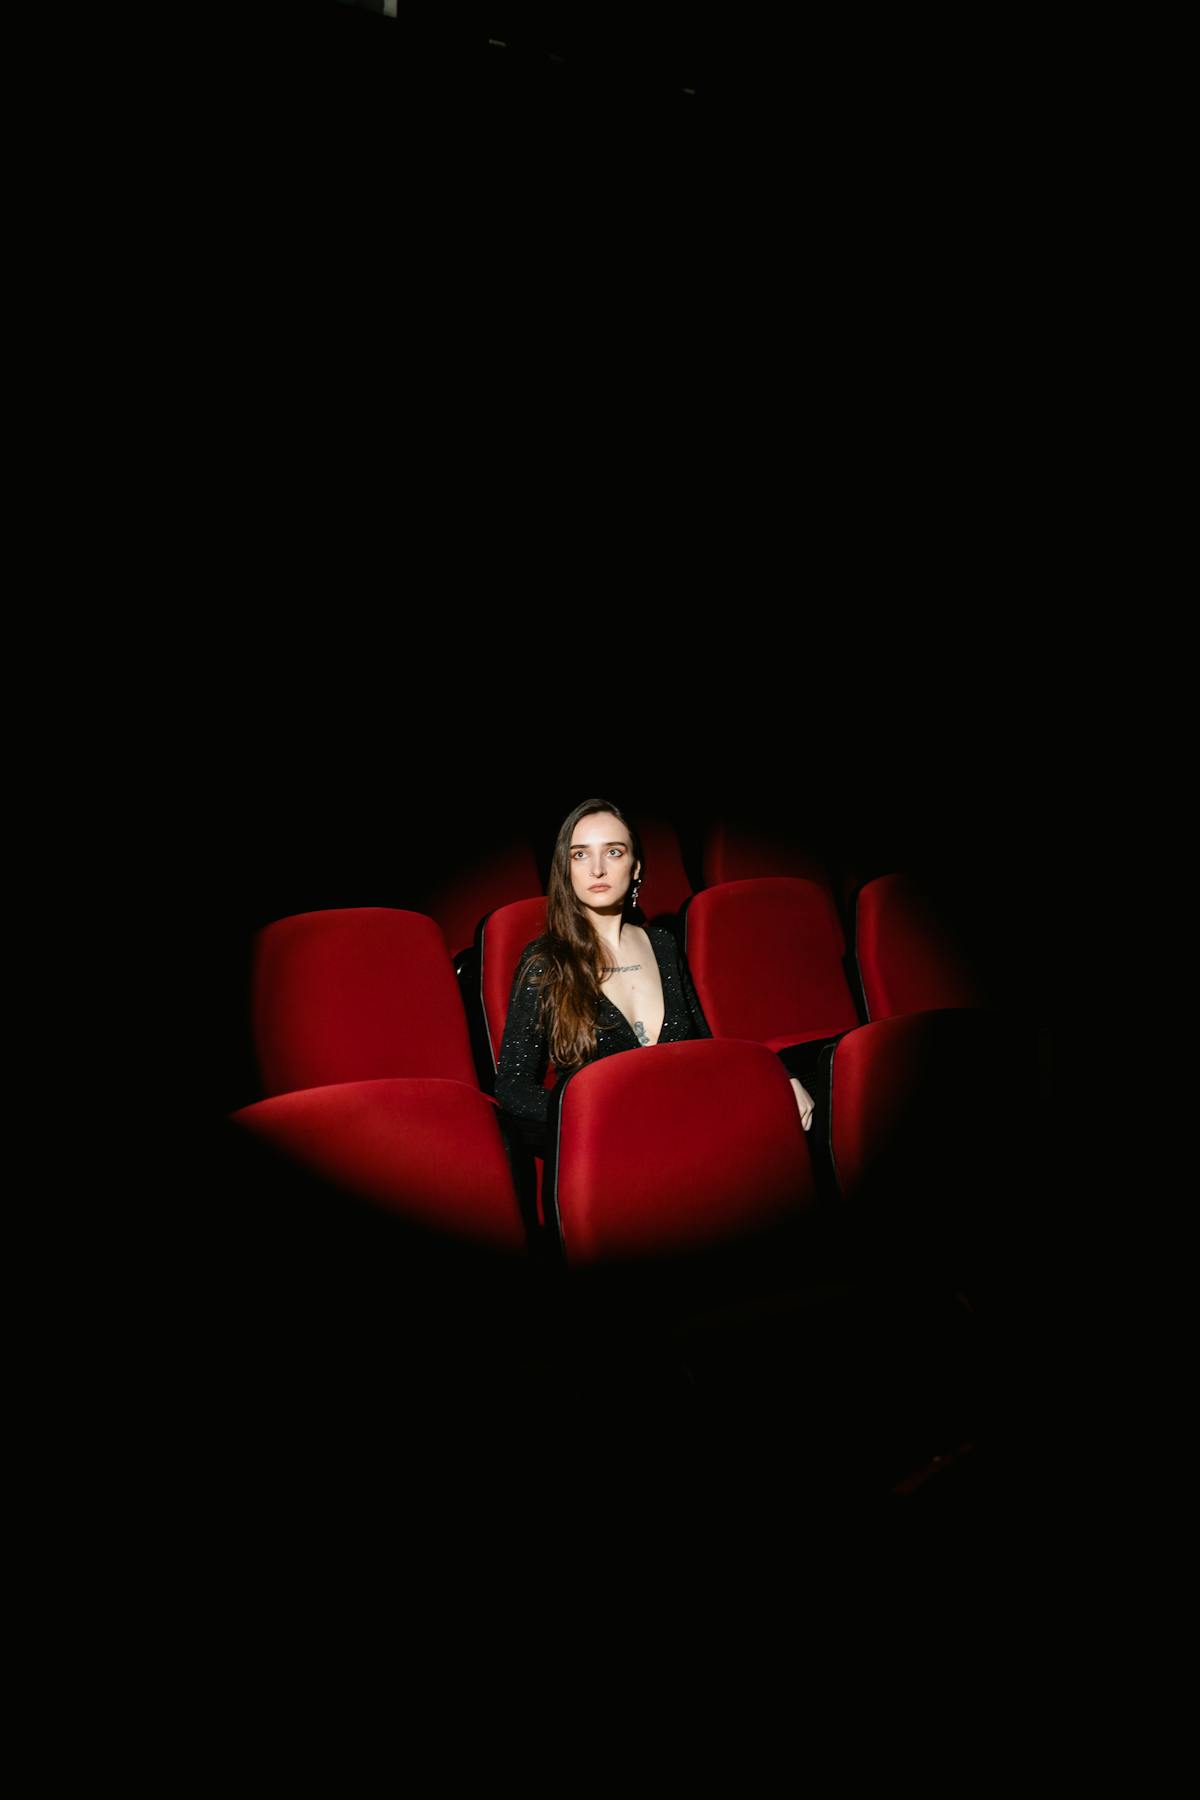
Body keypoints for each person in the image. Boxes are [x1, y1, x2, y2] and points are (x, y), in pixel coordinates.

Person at [493, 796, 816, 1156]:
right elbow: (513, 1087)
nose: (597, 869)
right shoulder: (545, 960)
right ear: (565, 869)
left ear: (635, 867)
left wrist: (778, 1076)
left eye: (613, 852)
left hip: (686, 1129)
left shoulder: (663, 944)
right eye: (580, 854)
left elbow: (707, 1045)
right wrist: (593, 1114)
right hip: (610, 1150)